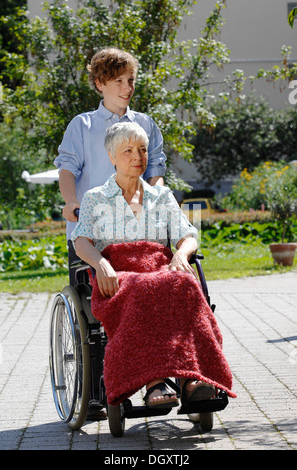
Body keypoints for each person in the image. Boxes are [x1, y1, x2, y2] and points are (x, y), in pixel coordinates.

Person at [71, 122, 236, 409]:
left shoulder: (163, 196)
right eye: (128, 150)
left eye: (143, 149)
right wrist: (101, 265)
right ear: (111, 156)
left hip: (160, 268)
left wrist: (181, 255)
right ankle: (153, 381)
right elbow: (81, 242)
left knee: (184, 282)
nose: (138, 156)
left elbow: (188, 235)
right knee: (143, 289)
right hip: (118, 275)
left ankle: (191, 379)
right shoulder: (94, 198)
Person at [54, 47, 166, 286]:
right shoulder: (82, 125)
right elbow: (67, 170)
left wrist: (158, 196)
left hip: (138, 228)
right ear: (100, 83)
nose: (128, 88)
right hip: (91, 232)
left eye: (131, 80)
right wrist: (72, 201)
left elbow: (155, 169)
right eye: (119, 81)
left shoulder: (146, 124)